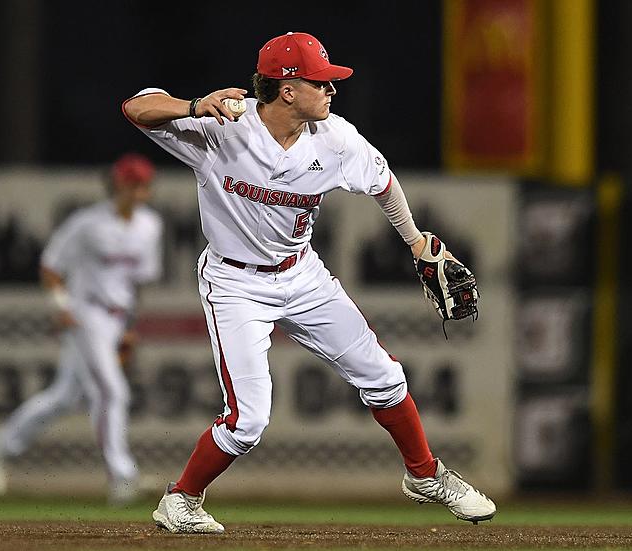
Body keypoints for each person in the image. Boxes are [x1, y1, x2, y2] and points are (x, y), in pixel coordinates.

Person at [122, 32, 496, 533]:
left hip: (302, 274)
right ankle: (181, 499)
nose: (331, 90)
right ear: (288, 88)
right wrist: (193, 104)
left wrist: (414, 241)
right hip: (235, 284)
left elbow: (384, 183)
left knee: (386, 378)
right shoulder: (224, 125)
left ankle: (425, 476)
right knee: (248, 422)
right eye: (321, 82)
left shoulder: (335, 138)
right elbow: (135, 107)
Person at [0, 153, 163, 506]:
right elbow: (50, 265)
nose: (139, 190)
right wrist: (60, 307)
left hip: (116, 317)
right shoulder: (87, 223)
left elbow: (138, 283)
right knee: (112, 392)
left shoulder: (150, 225)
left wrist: (130, 327)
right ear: (118, 183)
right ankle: (123, 478)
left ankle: (1, 445)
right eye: (133, 183)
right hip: (86, 314)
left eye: (144, 184)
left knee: (64, 396)